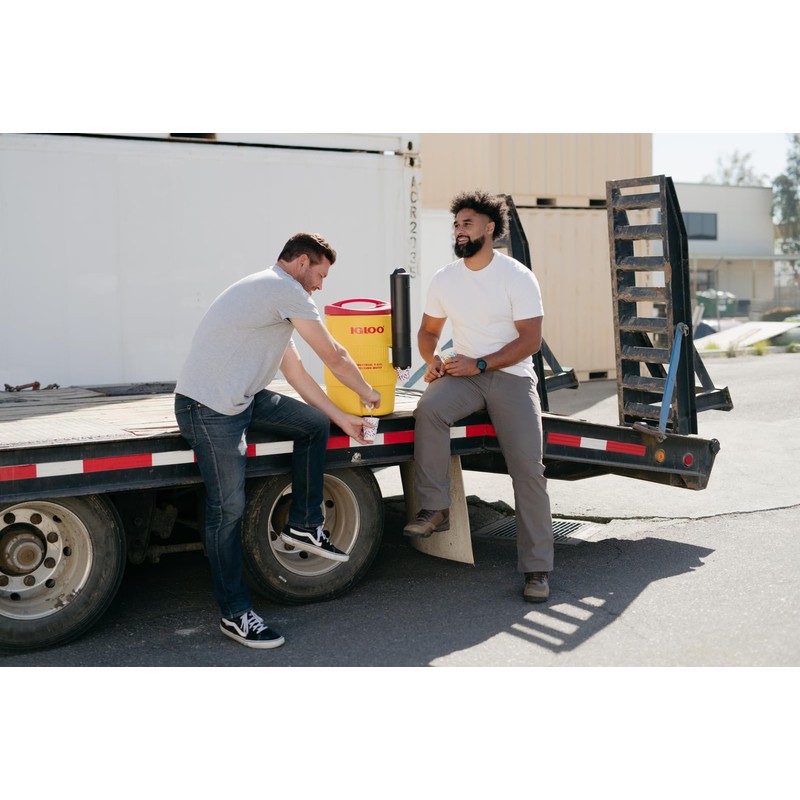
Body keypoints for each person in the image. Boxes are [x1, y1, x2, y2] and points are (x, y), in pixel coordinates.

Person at [174, 233, 381, 648]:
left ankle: (305, 525)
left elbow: (298, 376)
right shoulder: (282, 289)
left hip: (244, 398)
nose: (321, 285)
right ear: (302, 262)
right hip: (209, 408)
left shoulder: (272, 298)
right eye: (320, 274)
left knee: (312, 425)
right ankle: (235, 614)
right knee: (228, 508)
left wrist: (341, 418)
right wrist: (368, 393)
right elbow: (334, 356)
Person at [402, 190, 554, 603]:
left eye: (467, 223)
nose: (459, 230)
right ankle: (436, 508)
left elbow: (531, 341)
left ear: (489, 229)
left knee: (527, 471)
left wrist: (482, 364)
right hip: (465, 374)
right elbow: (429, 331)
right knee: (429, 408)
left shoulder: (517, 276)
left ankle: (537, 569)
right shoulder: (445, 278)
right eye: (456, 224)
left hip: (510, 377)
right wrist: (432, 359)